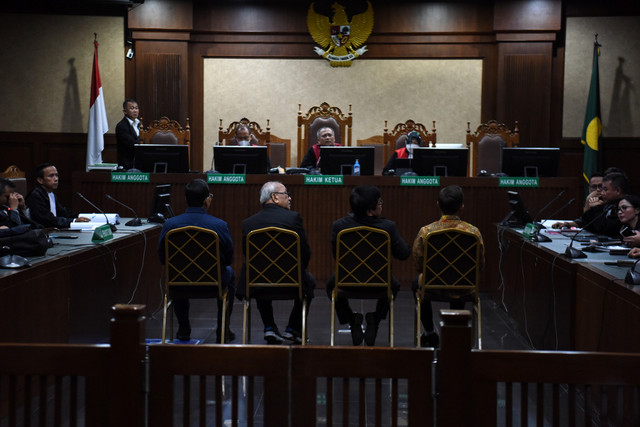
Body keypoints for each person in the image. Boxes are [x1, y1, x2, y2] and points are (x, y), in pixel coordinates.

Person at [326, 185, 411, 346]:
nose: (381, 204)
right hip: (381, 283)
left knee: (331, 287)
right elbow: (403, 254)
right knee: (394, 286)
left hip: (347, 282)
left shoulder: (339, 226)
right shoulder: (388, 227)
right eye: (379, 202)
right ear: (370, 210)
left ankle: (352, 320)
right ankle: (375, 319)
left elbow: (336, 256)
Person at [157, 178, 235, 343]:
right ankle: (223, 329)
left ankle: (183, 328)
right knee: (230, 274)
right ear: (207, 200)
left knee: (176, 272)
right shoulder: (219, 225)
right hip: (214, 284)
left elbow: (163, 259)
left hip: (179, 285)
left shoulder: (170, 225)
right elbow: (229, 259)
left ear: (186, 199)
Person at [238, 181, 315, 344]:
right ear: (274, 197)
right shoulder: (294, 218)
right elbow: (305, 252)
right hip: (292, 283)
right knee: (309, 281)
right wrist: (299, 271)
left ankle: (269, 327)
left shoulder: (248, 223)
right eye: (286, 194)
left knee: (258, 271)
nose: (289, 198)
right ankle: (293, 329)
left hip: (259, 285)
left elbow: (248, 255)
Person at [412, 185, 485, 348]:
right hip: (465, 287)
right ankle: (455, 332)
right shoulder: (474, 233)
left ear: (438, 204)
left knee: (416, 283)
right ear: (462, 207)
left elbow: (418, 265)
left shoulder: (426, 232)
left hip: (432, 287)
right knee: (458, 281)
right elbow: (480, 265)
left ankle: (429, 332)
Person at [552, 172, 628, 237]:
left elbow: (603, 229)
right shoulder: (609, 203)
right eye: (594, 187)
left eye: (605, 189)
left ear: (618, 191)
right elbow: (588, 224)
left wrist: (597, 208)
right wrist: (567, 224)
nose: (601, 192)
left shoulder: (626, 206)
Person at [25, 163, 89, 229]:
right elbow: (47, 219)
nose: (56, 179)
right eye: (51, 176)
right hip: (42, 233)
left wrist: (82, 216)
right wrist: (74, 221)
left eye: (56, 175)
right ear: (40, 180)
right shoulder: (35, 196)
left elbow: (63, 213)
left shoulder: (51, 194)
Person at [115, 99, 141, 170]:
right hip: (127, 165)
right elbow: (132, 144)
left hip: (139, 162)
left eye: (136, 108)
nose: (135, 110)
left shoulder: (139, 124)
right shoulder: (121, 126)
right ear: (125, 111)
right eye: (132, 108)